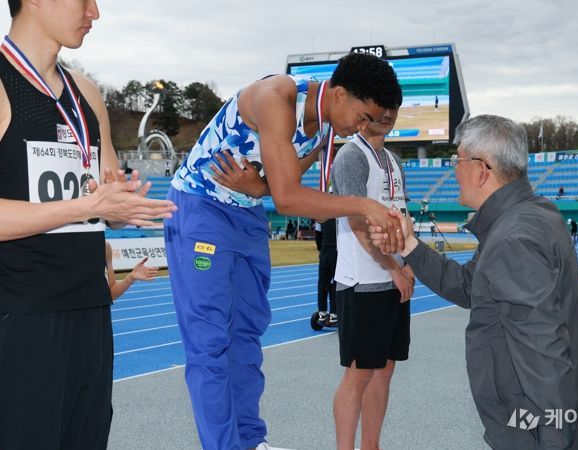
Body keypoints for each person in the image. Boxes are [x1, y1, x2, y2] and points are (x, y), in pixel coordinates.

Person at [163, 52, 404, 450]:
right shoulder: (276, 98)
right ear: (339, 94)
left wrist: (259, 188)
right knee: (210, 341)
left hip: (246, 214)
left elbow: (278, 186)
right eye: (363, 117)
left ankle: (250, 440)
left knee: (246, 334)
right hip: (201, 207)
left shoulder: (324, 128)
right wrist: (363, 205)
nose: (361, 128)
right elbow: (289, 198)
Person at [0, 1, 176, 449]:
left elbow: (102, 196)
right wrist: (84, 206)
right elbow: (85, 204)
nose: (94, 12)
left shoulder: (86, 93)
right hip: (21, 316)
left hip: (91, 312)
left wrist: (120, 206)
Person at [371, 115, 578, 450]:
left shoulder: (513, 238)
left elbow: (542, 352)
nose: (454, 170)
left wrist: (554, 439)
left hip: (536, 433)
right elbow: (470, 286)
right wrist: (409, 246)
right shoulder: (527, 216)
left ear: (481, 170)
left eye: (458, 160)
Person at [331, 108, 414, 450]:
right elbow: (357, 223)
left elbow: (404, 216)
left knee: (385, 369)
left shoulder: (393, 161)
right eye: (380, 108)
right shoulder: (351, 156)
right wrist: (393, 268)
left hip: (394, 280)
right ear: (363, 113)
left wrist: (407, 262)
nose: (388, 115)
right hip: (362, 281)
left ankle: (371, 445)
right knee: (360, 372)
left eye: (393, 108)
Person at [315, 217, 338, 326]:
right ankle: (334, 315)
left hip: (324, 251)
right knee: (336, 284)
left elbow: (318, 235)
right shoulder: (340, 216)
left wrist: (320, 249)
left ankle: (322, 313)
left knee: (322, 284)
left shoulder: (320, 216)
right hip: (336, 252)